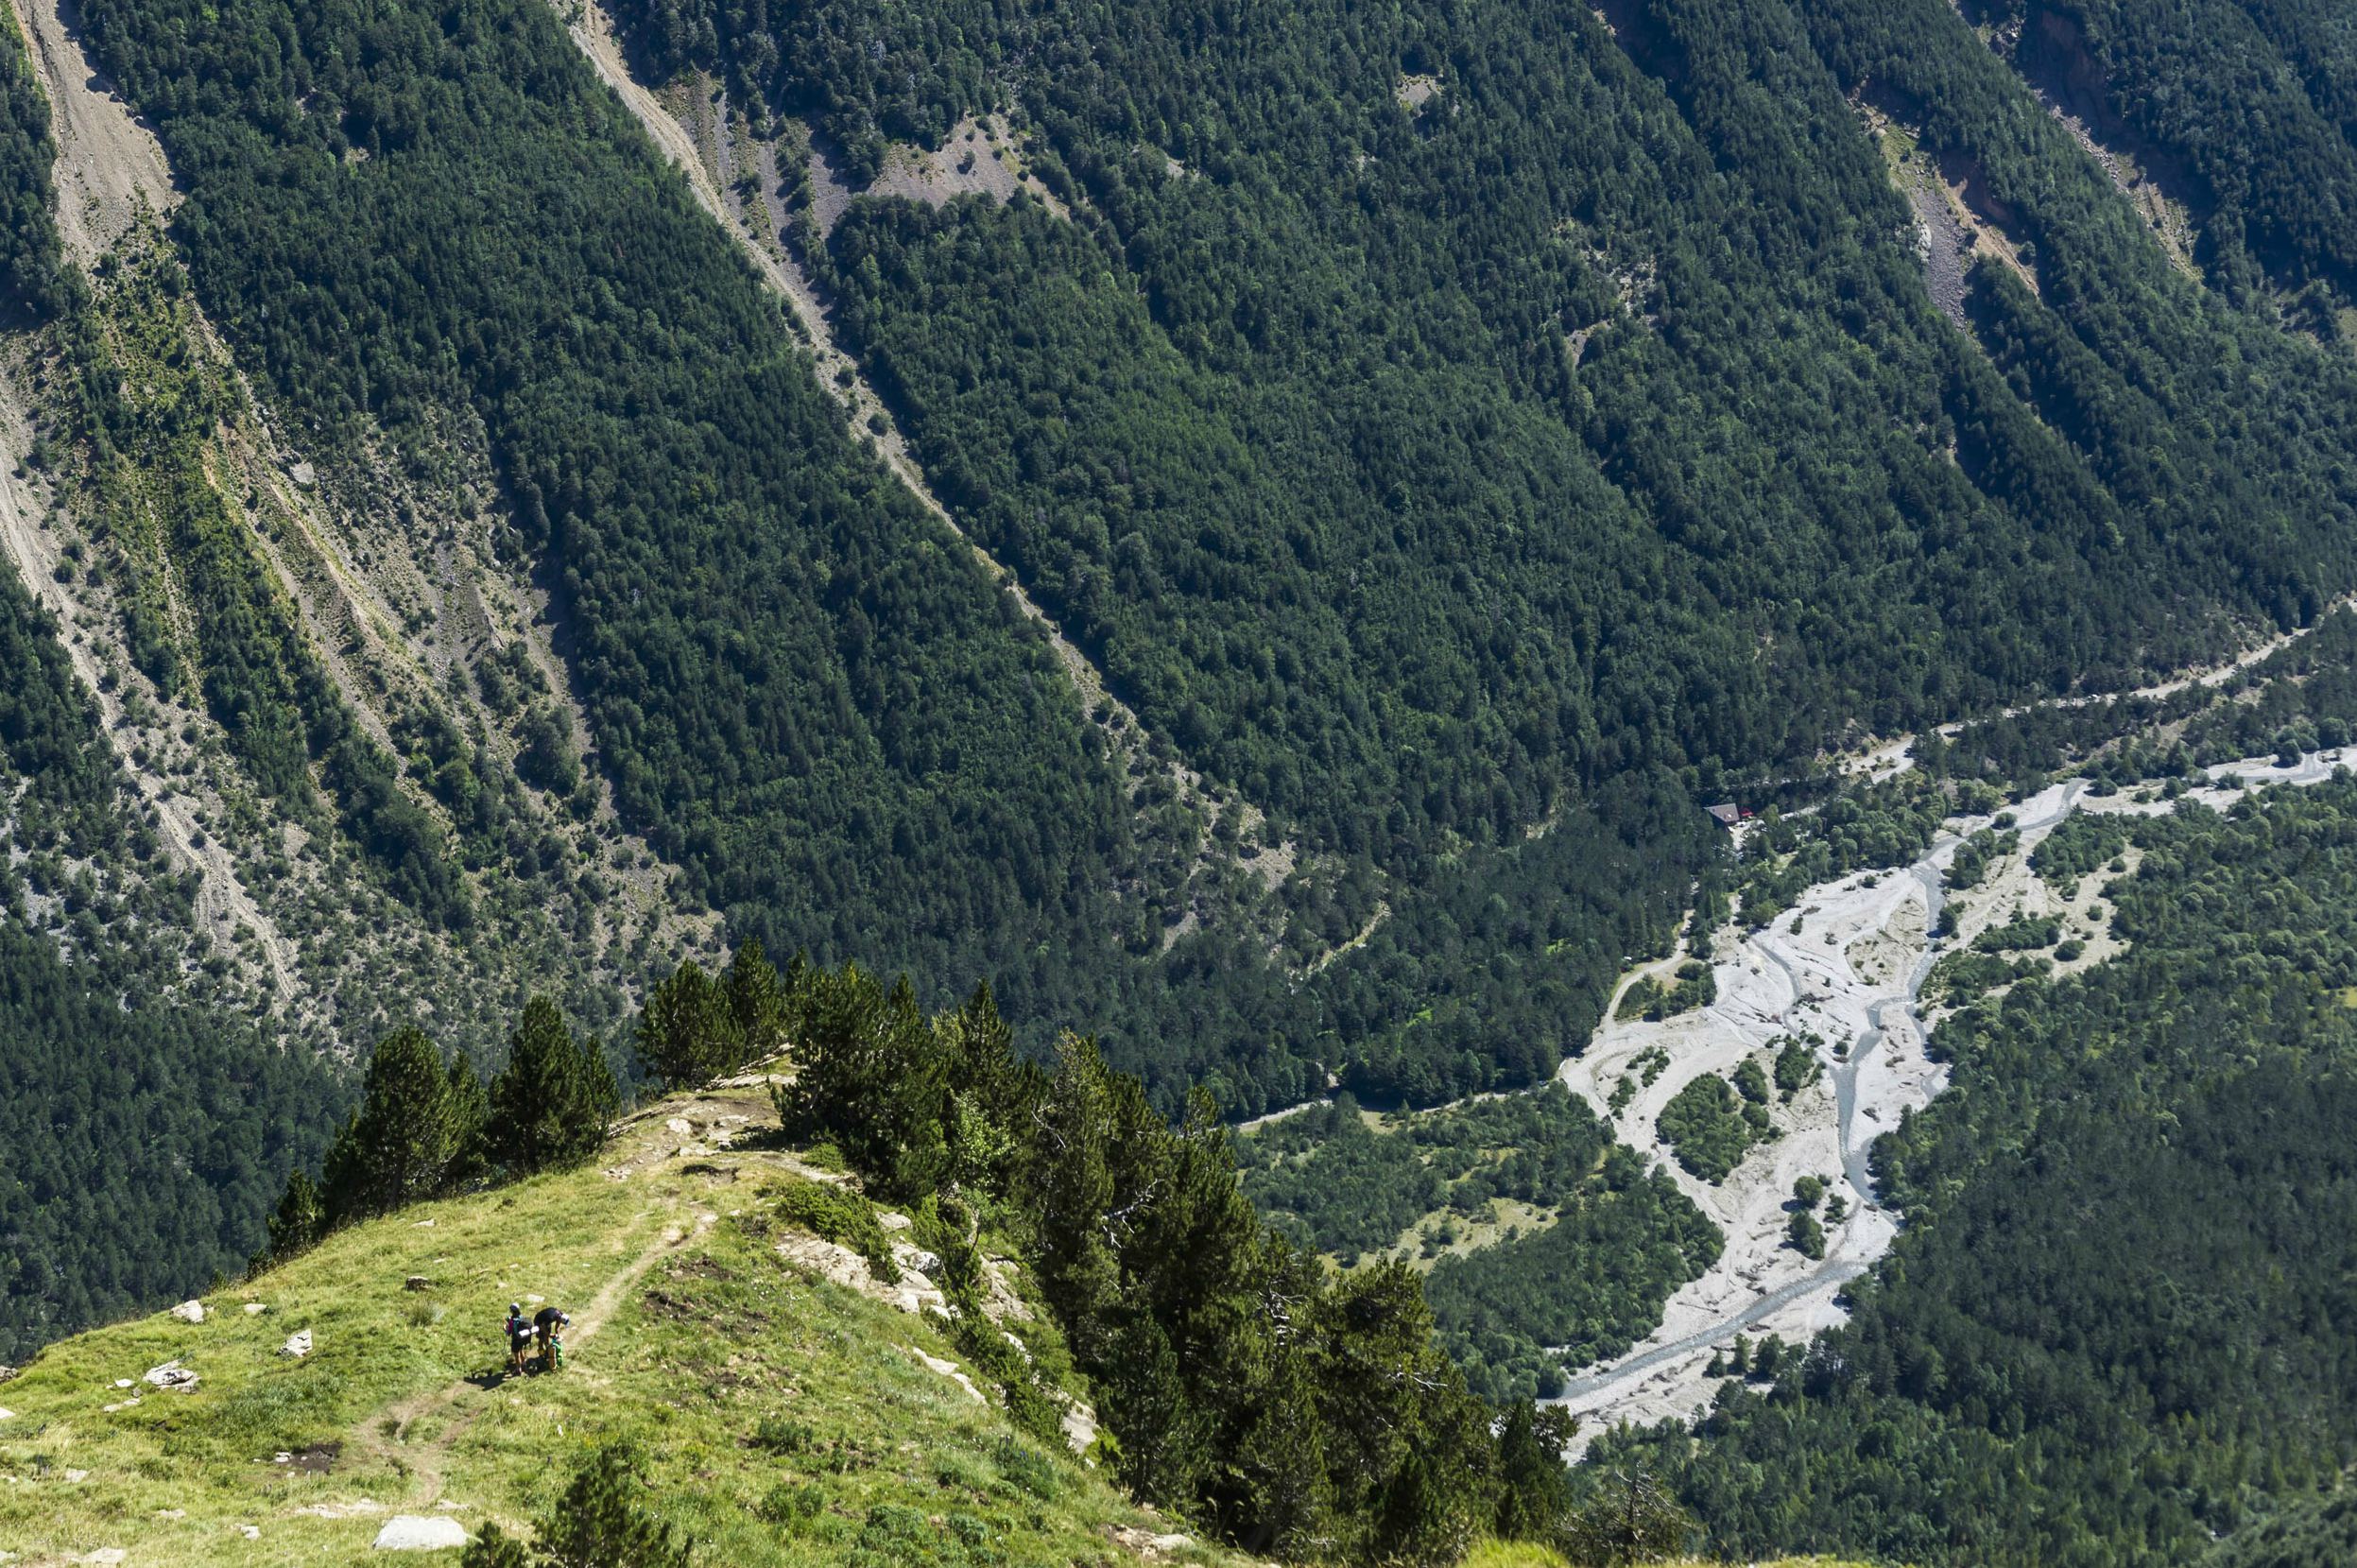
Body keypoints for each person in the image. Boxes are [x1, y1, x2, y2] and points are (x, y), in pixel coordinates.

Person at [534, 1305, 570, 1371]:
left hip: (546, 1321)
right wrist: (549, 1334)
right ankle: (541, 1354)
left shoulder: (560, 1315)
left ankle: (548, 1350)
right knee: (542, 1338)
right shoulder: (551, 1317)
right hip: (539, 1321)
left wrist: (557, 1335)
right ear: (561, 1319)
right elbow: (542, 1327)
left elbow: (557, 1327)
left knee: (546, 1336)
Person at [505, 1303, 532, 1376]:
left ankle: (518, 1369)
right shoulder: (521, 1317)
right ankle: (524, 1364)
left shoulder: (512, 1321)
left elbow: (508, 1333)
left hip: (516, 1340)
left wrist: (505, 1328)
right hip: (522, 1339)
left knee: (516, 1356)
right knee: (521, 1350)